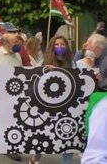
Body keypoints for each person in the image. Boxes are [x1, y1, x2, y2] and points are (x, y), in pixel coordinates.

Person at [29, 35, 75, 164]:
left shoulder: (72, 62)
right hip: (49, 104)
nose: (60, 47)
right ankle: (35, 158)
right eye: (57, 44)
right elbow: (36, 76)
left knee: (67, 134)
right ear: (52, 47)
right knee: (45, 132)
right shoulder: (45, 61)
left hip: (67, 104)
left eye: (62, 44)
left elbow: (76, 78)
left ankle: (67, 161)